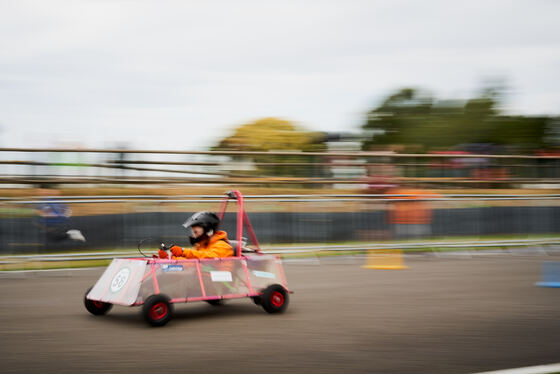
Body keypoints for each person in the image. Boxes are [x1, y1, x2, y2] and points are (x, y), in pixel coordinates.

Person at [158, 211, 233, 260]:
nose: (194, 236)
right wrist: (170, 258)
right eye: (193, 233)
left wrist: (183, 251)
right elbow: (191, 262)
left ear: (209, 231)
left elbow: (209, 258)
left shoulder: (222, 246)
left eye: (196, 232)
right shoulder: (203, 246)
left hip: (218, 282)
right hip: (202, 279)